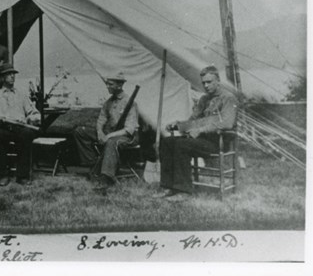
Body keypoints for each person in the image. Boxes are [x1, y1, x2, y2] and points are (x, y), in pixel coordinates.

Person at [155, 65, 238, 201]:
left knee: (182, 144)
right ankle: (168, 187)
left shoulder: (228, 98)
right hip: (201, 140)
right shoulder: (204, 99)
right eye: (203, 82)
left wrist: (200, 130)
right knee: (167, 141)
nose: (205, 85)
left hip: (217, 142)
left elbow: (227, 123)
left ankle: (183, 191)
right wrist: (178, 125)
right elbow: (193, 121)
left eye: (209, 82)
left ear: (218, 80)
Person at [72, 71, 139, 191]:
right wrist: (100, 133)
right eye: (107, 84)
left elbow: (129, 130)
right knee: (80, 131)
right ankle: (93, 164)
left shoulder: (129, 103)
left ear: (119, 85)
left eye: (110, 84)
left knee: (111, 142)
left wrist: (108, 136)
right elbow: (101, 120)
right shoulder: (109, 102)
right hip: (111, 133)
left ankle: (106, 177)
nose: (107, 86)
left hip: (126, 137)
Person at [0, 63, 40, 186]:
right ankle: (3, 175)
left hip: (20, 128)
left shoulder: (22, 94)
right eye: (9, 74)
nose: (12, 76)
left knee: (27, 134)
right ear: (2, 78)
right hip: (3, 128)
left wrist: (28, 119)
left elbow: (36, 115)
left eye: (13, 74)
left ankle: (22, 176)